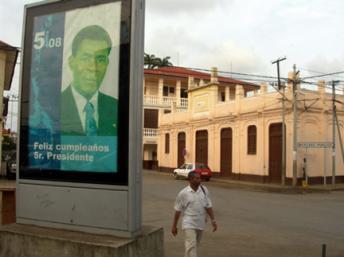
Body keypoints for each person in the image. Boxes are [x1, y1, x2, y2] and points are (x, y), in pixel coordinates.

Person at [61, 25, 117, 136]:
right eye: (85, 58)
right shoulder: (52, 108)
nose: (93, 68)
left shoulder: (117, 108)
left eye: (100, 59)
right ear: (72, 62)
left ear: (107, 63)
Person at [172, 171, 218, 257]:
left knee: (193, 245)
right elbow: (178, 210)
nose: (199, 180)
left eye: (199, 178)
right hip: (189, 222)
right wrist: (174, 226)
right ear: (190, 180)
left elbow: (208, 206)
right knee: (191, 245)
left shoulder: (204, 190)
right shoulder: (183, 193)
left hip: (200, 222)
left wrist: (213, 220)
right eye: (196, 178)